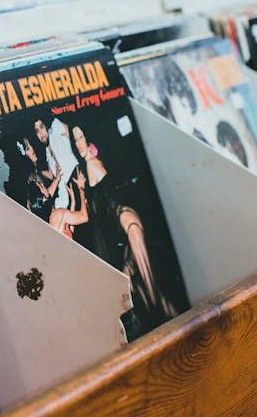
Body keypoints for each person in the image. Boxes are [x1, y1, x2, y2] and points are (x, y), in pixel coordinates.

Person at [70, 124, 179, 323]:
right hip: (127, 227)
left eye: (81, 137)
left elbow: (95, 211)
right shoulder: (91, 165)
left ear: (88, 138)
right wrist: (82, 189)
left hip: (128, 224)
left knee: (151, 292)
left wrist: (82, 191)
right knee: (146, 292)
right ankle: (180, 325)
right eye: (75, 139)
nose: (78, 143)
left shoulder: (92, 164)